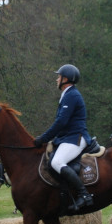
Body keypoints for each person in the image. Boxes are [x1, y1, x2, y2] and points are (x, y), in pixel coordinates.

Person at [33, 64, 93, 212]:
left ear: (65, 79)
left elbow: (61, 122)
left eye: (58, 77)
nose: (56, 79)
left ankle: (84, 195)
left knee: (57, 162)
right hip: (68, 137)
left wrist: (44, 138)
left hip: (76, 137)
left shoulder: (72, 95)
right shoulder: (67, 94)